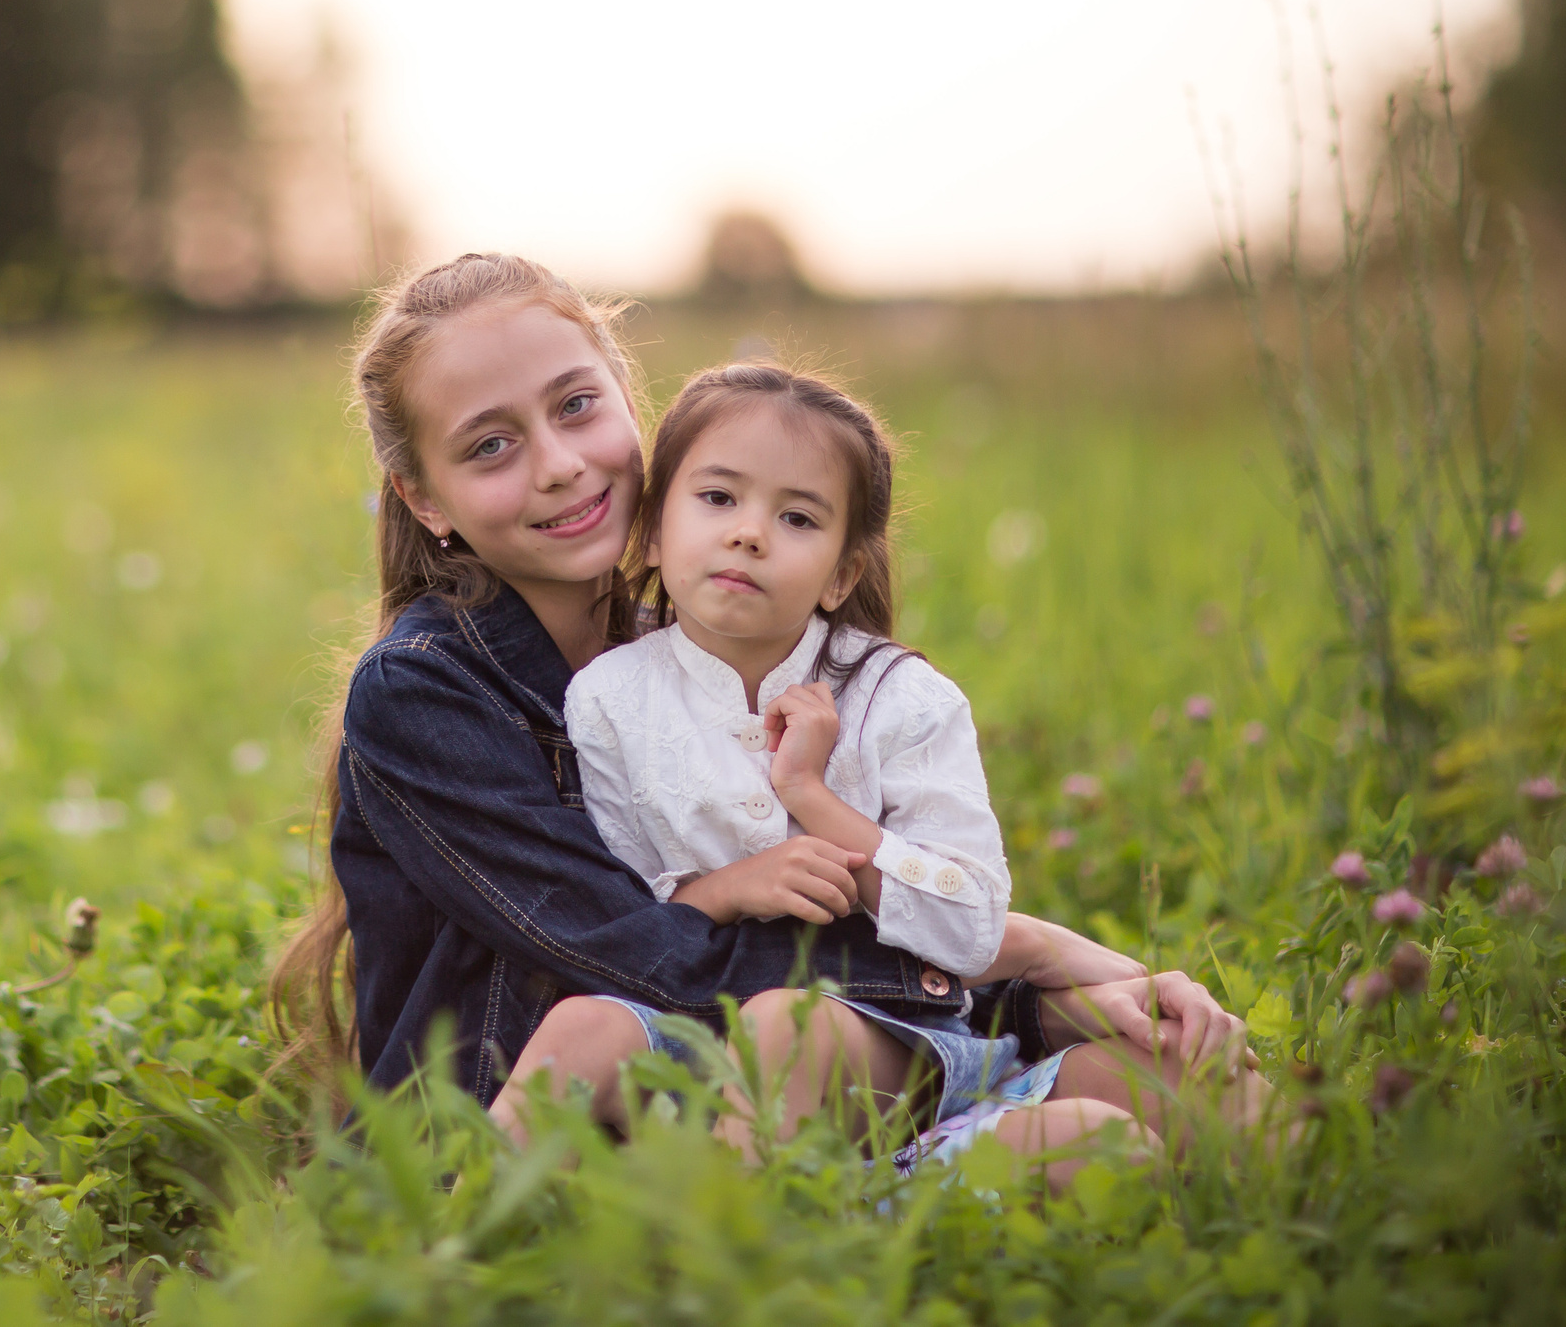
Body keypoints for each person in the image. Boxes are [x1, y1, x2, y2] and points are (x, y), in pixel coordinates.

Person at [268, 254, 1250, 1151]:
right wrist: (1029, 965)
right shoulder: (423, 691)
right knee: (1055, 1110)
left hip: (758, 1068)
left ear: (625, 395)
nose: (559, 462)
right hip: (538, 1130)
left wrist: (1057, 996)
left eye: (576, 405)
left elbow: (802, 909)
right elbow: (644, 959)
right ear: (424, 500)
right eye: (489, 446)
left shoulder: (700, 642)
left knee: (1183, 1077)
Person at [519, 361, 1265, 1179]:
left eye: (798, 517)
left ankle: (838, 1206)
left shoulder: (900, 698)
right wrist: (733, 887)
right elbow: (621, 921)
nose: (749, 532)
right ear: (654, 530)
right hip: (700, 1032)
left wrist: (813, 798)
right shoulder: (608, 699)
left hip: (905, 1033)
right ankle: (474, 1242)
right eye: (718, 498)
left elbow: (971, 921)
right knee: (660, 1027)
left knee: (1209, 1086)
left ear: (842, 572)